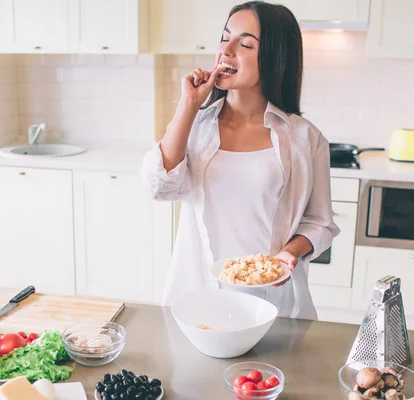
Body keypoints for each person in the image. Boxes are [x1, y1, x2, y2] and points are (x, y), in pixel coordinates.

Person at [141, 1, 340, 320]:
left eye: (245, 43)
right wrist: (189, 104)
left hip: (273, 299)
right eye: (224, 38)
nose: (227, 50)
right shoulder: (196, 126)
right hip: (199, 296)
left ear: (275, 57)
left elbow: (320, 223)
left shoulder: (305, 138)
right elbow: (159, 185)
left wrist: (289, 255)